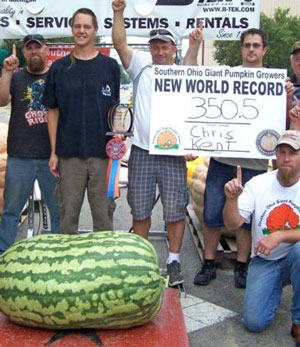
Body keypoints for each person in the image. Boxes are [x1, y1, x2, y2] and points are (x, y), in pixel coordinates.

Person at [194, 28, 294, 289]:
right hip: (223, 158)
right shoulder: (227, 76)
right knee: (213, 213)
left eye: (256, 45)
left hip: (257, 163)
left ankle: (242, 264)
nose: (251, 49)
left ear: (264, 50)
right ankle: (209, 261)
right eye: (247, 45)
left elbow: (283, 127)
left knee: (247, 218)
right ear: (242, 48)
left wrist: (287, 98)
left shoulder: (277, 84)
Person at [111, 0, 202, 286]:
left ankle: (174, 261)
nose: (160, 51)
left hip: (173, 154)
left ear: (173, 48)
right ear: (150, 48)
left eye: (165, 46)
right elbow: (120, 43)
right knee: (140, 208)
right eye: (156, 46)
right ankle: (142, 261)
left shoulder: (182, 71)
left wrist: (196, 44)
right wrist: (118, 13)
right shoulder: (141, 67)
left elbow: (196, 107)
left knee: (175, 209)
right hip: (141, 151)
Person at [42, 8, 120, 234]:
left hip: (103, 156)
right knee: (67, 219)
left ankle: (103, 265)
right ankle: (66, 267)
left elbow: (114, 110)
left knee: (104, 220)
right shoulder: (59, 68)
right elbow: (52, 112)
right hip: (70, 156)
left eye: (87, 27)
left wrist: (117, 145)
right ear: (72, 29)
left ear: (95, 30)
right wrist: (54, 152)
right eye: (77, 26)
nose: (81, 31)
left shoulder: (110, 67)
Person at [223, 129, 300, 346]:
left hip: (295, 255)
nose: (286, 158)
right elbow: (232, 223)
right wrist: (231, 200)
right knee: (254, 323)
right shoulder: (258, 183)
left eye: (292, 153)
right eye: (281, 152)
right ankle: (273, 287)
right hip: (265, 261)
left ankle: (299, 320)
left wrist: (279, 236)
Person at [0, 35, 60, 255]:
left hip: (51, 157)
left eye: (38, 47)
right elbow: (1, 100)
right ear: (24, 53)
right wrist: (6, 72)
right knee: (10, 212)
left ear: (47, 50)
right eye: (30, 48)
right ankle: (3, 256)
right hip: (19, 156)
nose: (34, 52)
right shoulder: (16, 77)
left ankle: (57, 257)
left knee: (57, 212)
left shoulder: (57, 76)